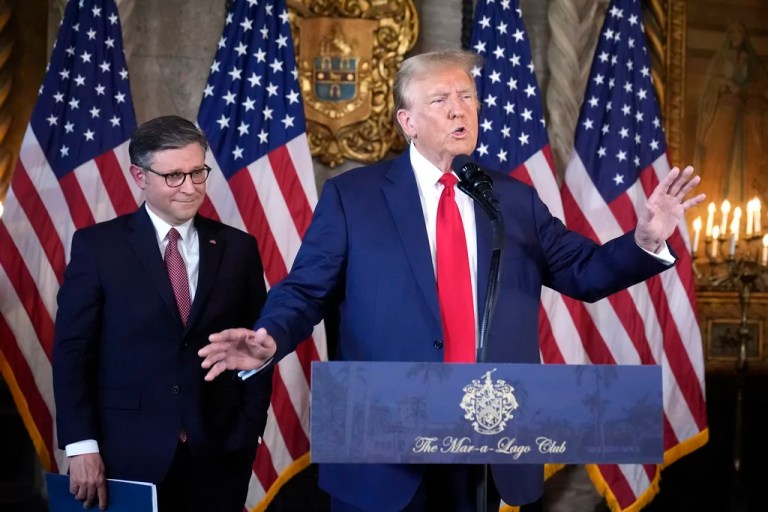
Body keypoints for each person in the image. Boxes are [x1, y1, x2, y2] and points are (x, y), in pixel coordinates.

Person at [199, 50, 705, 512]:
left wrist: (644, 239)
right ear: (408, 121)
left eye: (467, 97)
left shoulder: (512, 199)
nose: (459, 110)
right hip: (386, 445)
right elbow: (306, 290)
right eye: (441, 99)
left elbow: (584, 271)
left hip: (487, 441)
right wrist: (269, 339)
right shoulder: (354, 197)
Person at [52, 115, 272, 511]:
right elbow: (73, 352)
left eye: (198, 173)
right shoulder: (98, 247)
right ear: (140, 175)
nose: (189, 188)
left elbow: (257, 345)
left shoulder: (238, 248)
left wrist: (249, 429)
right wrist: (81, 444)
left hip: (219, 453)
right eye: (174, 176)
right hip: (123, 453)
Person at [694, 21, 768, 206]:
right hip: (724, 114)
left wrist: (749, 89)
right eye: (732, 32)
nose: (736, 36)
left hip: (746, 119)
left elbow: (761, 85)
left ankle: (750, 197)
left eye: (739, 32)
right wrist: (725, 84)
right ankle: (714, 196)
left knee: (750, 153)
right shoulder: (721, 59)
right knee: (717, 155)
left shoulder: (750, 61)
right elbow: (711, 87)